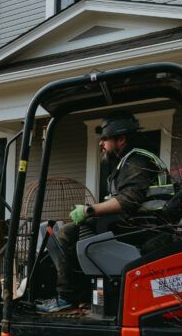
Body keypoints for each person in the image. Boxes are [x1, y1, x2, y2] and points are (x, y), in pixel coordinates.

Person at [40, 110, 170, 313]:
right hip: (135, 224)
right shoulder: (128, 162)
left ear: (121, 139)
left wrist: (90, 210)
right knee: (75, 232)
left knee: (67, 234)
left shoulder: (136, 162)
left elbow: (128, 200)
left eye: (105, 139)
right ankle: (81, 297)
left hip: (143, 228)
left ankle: (67, 296)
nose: (101, 144)